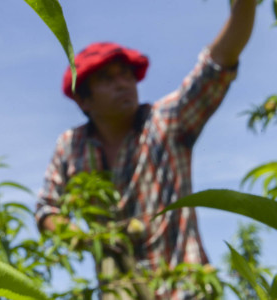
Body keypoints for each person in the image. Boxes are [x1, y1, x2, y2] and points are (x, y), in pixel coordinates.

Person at [35, 1, 257, 299]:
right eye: (107, 78)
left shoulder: (165, 123)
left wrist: (244, 8)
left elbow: (216, 65)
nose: (123, 84)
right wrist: (87, 239)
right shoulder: (71, 146)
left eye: (127, 75)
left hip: (186, 289)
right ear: (84, 101)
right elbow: (47, 208)